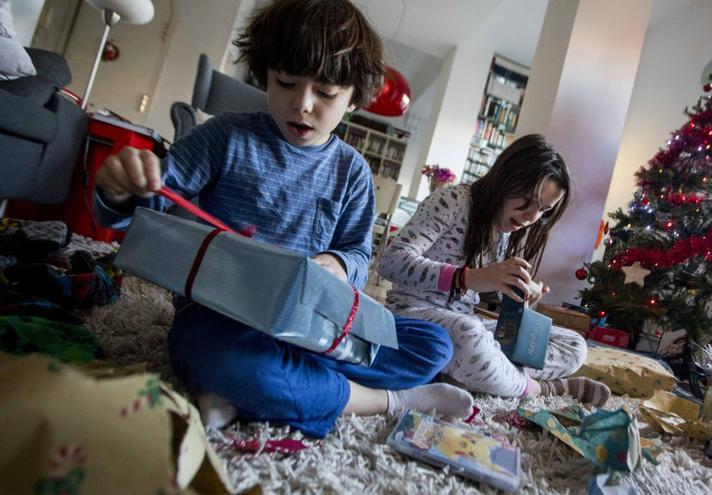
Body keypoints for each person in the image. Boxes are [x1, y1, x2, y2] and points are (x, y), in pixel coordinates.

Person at [92, 0, 472, 438]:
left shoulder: (353, 172)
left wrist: (337, 264)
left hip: (313, 323)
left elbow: (358, 255)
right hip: (220, 315)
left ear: (353, 100)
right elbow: (148, 205)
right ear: (265, 73)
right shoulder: (226, 135)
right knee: (224, 358)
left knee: (435, 346)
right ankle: (381, 401)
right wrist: (121, 189)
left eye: (326, 93)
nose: (303, 104)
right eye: (285, 82)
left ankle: (250, 387)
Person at [378, 135, 611, 407]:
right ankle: (539, 389)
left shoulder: (504, 230)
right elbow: (391, 261)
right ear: (505, 178)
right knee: (469, 335)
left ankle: (476, 374)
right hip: (413, 314)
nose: (532, 217)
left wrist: (518, 294)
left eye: (544, 210)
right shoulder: (454, 199)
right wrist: (468, 277)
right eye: (528, 200)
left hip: (467, 323)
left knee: (575, 346)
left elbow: (485, 298)